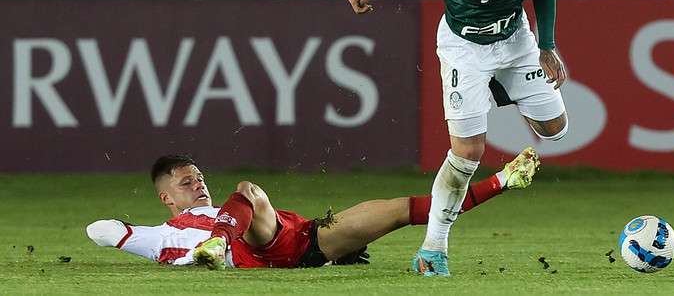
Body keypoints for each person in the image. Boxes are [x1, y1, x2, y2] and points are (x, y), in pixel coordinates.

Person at [346, 0, 569, 277]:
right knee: (468, 153)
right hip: (464, 47)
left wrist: (547, 44)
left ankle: (499, 89)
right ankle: (434, 250)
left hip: (515, 39)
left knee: (556, 128)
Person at [86, 149, 540, 271]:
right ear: (166, 198)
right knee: (249, 188)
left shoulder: (227, 210)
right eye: (187, 182)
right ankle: (217, 246)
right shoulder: (167, 232)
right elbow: (103, 230)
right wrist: (126, 235)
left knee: (405, 208)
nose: (198, 183)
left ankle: (504, 180)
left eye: (200, 176)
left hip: (308, 241)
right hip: (256, 250)